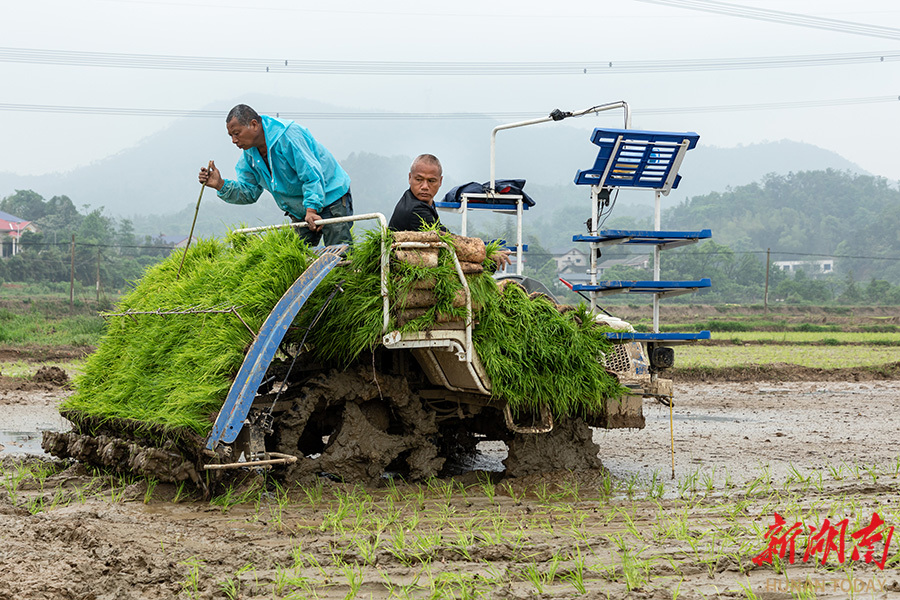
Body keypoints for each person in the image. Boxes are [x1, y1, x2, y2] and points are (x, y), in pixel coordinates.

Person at [198, 104, 353, 247]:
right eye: (230, 135)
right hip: (300, 210)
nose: (233, 140)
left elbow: (311, 175)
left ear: (253, 125)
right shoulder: (249, 155)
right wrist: (220, 184)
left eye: (237, 133)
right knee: (296, 262)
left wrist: (312, 210)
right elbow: (249, 192)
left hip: (331, 198)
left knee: (339, 258)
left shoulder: (288, 136)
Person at [389, 154, 511, 269]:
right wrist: (486, 252)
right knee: (486, 264)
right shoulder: (416, 209)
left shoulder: (421, 201)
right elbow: (447, 241)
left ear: (440, 181)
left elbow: (443, 233)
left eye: (431, 181)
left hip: (425, 258)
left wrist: (486, 248)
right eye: (419, 179)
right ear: (410, 178)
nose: (425, 186)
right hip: (409, 267)